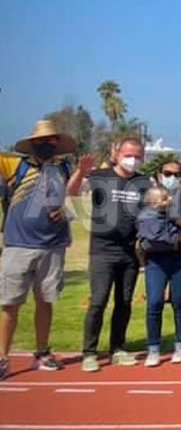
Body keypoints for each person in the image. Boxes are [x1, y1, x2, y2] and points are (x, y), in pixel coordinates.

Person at [0, 121, 93, 379]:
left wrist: (82, 172)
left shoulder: (63, 166)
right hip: (18, 245)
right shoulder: (15, 165)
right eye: (42, 141)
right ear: (32, 143)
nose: (47, 145)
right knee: (10, 304)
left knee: (45, 301)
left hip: (53, 246)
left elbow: (69, 193)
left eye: (52, 140)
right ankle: (2, 357)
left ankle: (42, 352)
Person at [82, 137, 150, 372]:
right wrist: (79, 173)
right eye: (128, 155)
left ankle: (117, 348)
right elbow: (71, 191)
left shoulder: (143, 182)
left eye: (138, 156)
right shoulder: (101, 177)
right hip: (103, 251)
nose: (133, 160)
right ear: (117, 154)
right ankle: (89, 352)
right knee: (98, 301)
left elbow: (149, 210)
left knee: (124, 302)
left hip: (130, 253)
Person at [137, 186, 181, 367]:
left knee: (180, 301)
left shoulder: (173, 215)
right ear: (153, 202)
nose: (168, 200)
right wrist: (177, 232)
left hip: (178, 261)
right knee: (154, 302)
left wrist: (178, 230)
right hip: (156, 262)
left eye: (168, 197)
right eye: (163, 198)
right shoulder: (146, 217)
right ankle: (153, 348)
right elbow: (158, 237)